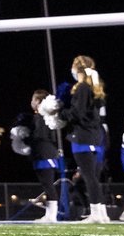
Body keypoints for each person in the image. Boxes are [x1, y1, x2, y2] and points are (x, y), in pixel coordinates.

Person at [61, 56, 108, 223]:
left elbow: (77, 113)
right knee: (93, 177)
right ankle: (101, 213)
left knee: (89, 177)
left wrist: (60, 113)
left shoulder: (82, 88)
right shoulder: (93, 88)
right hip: (94, 137)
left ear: (77, 69)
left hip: (83, 137)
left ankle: (96, 213)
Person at [17, 89, 62, 223]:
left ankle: (52, 215)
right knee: (46, 184)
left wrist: (25, 138)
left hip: (44, 153)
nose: (31, 102)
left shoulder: (40, 117)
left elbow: (39, 136)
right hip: (43, 153)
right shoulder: (45, 116)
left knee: (48, 184)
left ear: (38, 101)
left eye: (33, 99)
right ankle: (49, 215)